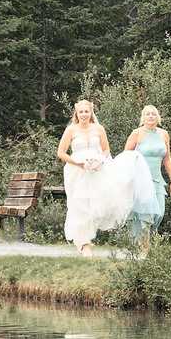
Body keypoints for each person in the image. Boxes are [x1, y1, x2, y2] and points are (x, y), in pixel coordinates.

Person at [57, 100, 129, 254]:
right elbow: (61, 153)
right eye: (81, 112)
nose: (84, 115)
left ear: (91, 113)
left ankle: (88, 238)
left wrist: (100, 161)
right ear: (76, 113)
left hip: (97, 170)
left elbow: (106, 149)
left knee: (97, 204)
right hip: (77, 171)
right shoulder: (71, 130)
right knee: (81, 205)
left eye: (86, 112)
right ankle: (85, 245)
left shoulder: (98, 129)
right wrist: (79, 163)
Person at [120, 106, 171, 256]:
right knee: (145, 215)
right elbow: (126, 156)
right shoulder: (137, 134)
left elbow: (167, 158)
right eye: (148, 114)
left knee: (159, 214)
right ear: (143, 117)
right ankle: (142, 248)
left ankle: (142, 243)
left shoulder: (164, 134)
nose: (151, 117)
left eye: (153, 114)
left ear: (157, 117)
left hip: (157, 179)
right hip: (141, 179)